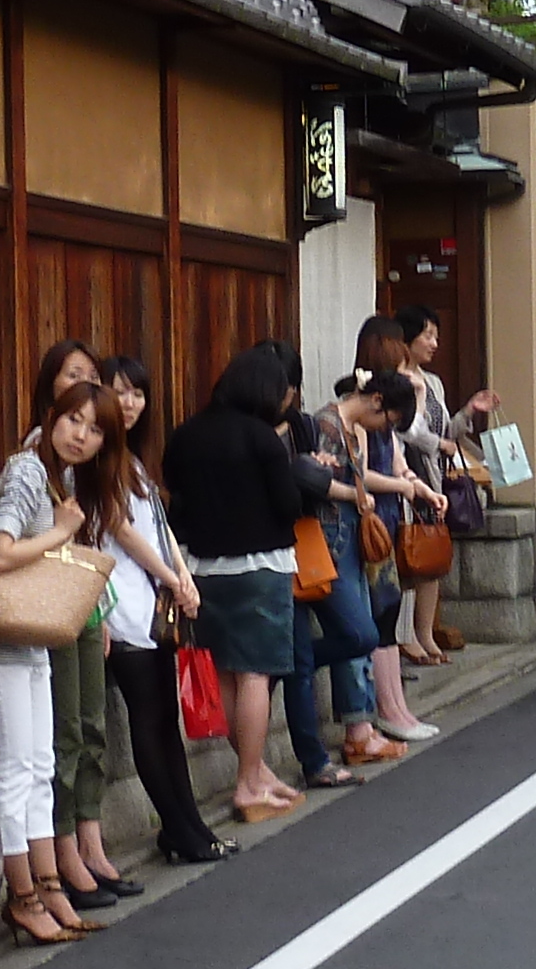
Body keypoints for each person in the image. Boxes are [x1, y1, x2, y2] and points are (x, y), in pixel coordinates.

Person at [161, 343, 323, 817]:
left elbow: (174, 490)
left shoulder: (186, 435)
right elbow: (288, 505)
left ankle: (254, 772)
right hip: (259, 568)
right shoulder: (262, 438)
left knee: (228, 671)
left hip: (201, 570)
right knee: (256, 673)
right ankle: (248, 782)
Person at [0, 378, 113, 941]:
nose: (81, 435)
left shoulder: (54, 476)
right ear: (51, 417)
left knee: (38, 768)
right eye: (73, 420)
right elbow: (1, 551)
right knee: (16, 772)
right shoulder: (27, 470)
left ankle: (48, 886)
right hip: (5, 641)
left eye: (95, 428)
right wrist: (61, 533)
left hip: (33, 641)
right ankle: (23, 894)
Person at [93, 354, 227, 865]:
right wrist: (174, 578)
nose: (128, 402)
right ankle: (179, 830)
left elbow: (157, 527)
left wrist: (182, 576)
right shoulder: (100, 456)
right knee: (148, 717)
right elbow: (122, 529)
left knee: (165, 717)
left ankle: (188, 826)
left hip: (150, 598)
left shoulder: (132, 459)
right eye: (118, 390)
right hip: (120, 602)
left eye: (137, 393)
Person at [26, 340, 135, 913]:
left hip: (85, 604)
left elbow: (92, 543)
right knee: (66, 732)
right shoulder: (34, 462)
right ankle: (65, 852)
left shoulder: (86, 466)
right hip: (49, 609)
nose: (83, 428)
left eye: (94, 379)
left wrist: (104, 607)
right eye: (73, 382)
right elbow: (12, 548)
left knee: (92, 727)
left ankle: (90, 843)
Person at [316, 364, 440, 744]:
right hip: (337, 535)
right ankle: (362, 722)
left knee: (368, 627)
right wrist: (361, 494)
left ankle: (364, 722)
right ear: (376, 401)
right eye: (388, 418)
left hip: (355, 531)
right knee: (361, 630)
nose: (385, 427)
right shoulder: (330, 425)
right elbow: (325, 481)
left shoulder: (349, 427)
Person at [389, 306, 490, 664]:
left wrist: (467, 413)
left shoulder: (432, 383)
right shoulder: (393, 380)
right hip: (403, 478)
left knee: (430, 559)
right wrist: (439, 444)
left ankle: (425, 633)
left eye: (436, 335)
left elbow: (444, 431)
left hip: (431, 479)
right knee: (407, 559)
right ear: (406, 339)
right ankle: (403, 637)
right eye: (428, 334)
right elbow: (408, 432)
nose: (435, 342)